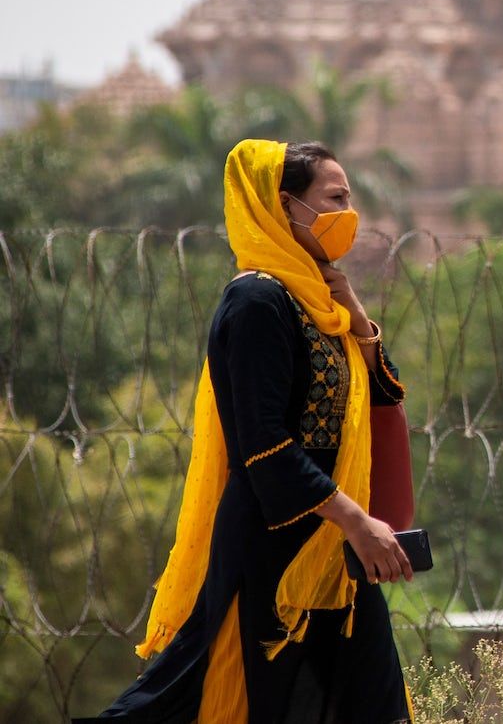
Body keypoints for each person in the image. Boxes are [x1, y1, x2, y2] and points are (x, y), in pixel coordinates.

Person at [80, 139, 412, 724]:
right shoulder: (258, 301)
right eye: (334, 199)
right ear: (285, 207)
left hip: (333, 554)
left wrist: (360, 324)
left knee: (371, 704)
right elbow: (265, 448)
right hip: (272, 551)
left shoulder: (322, 305)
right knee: (230, 700)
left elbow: (380, 399)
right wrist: (357, 521)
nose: (348, 216)